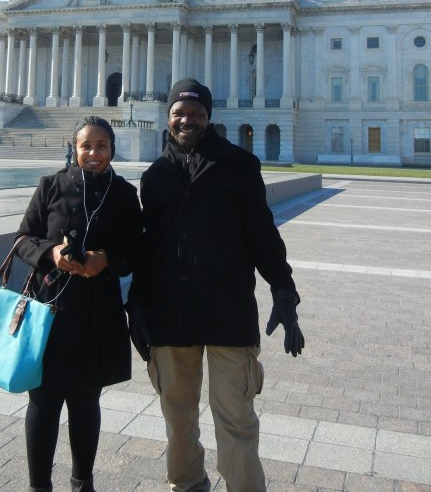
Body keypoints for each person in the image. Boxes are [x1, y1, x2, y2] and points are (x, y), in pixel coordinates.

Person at [128, 78, 305, 492]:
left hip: (229, 313)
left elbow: (263, 236)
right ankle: (187, 484)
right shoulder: (155, 176)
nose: (186, 119)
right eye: (178, 112)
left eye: (195, 113)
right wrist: (136, 305)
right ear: (169, 117)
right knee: (177, 418)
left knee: (237, 420)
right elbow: (148, 248)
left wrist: (284, 292)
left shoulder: (239, 166)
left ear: (209, 117)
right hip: (171, 314)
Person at [16, 116, 143, 492]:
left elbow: (137, 249)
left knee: (86, 401)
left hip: (96, 312)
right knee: (43, 400)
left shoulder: (122, 194)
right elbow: (23, 239)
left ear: (111, 150)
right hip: (49, 309)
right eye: (86, 145)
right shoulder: (51, 186)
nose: (93, 153)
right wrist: (51, 253)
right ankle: (39, 485)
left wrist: (106, 260)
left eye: (101, 146)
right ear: (74, 148)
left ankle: (81, 482)